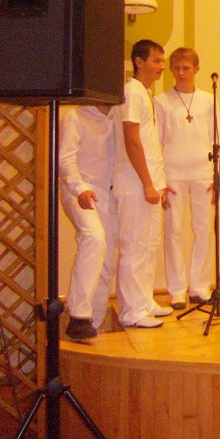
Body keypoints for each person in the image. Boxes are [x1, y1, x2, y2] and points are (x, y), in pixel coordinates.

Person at [112, 39, 172, 328]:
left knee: (149, 245)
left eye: (162, 61)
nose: (161, 67)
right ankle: (131, 311)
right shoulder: (132, 92)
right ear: (139, 61)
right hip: (134, 183)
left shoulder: (146, 93)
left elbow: (149, 142)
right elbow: (132, 139)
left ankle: (144, 300)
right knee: (135, 246)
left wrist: (159, 183)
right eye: (156, 61)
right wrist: (147, 182)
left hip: (151, 182)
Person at [154, 47, 220, 309]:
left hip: (203, 173)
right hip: (173, 174)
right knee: (173, 231)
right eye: (176, 68)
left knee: (203, 230)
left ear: (196, 69)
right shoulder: (162, 101)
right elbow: (156, 142)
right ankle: (177, 290)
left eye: (185, 68)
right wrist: (160, 180)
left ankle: (200, 287)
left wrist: (218, 174)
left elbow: (218, 138)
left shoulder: (208, 100)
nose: (180, 73)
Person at [58, 104, 115, 339]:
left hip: (108, 194)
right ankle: (78, 315)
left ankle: (93, 324)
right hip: (78, 189)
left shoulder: (117, 118)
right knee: (93, 236)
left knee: (107, 260)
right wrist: (80, 188)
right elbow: (65, 160)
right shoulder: (75, 117)